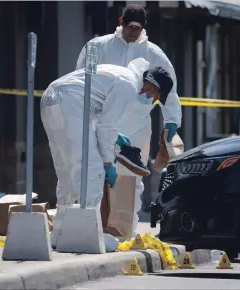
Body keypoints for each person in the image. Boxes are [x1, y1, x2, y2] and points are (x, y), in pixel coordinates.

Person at [40, 58, 174, 249]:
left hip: (51, 98)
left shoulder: (120, 75)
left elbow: (93, 112)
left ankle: (60, 232)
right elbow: (106, 127)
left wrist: (115, 137)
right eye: (157, 95)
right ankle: (87, 235)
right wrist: (108, 164)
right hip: (70, 104)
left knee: (67, 172)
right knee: (92, 172)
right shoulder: (128, 86)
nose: (153, 99)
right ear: (152, 86)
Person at [75, 4, 182, 236]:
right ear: (121, 22)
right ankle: (91, 226)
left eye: (138, 28)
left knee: (131, 179)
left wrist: (171, 119)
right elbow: (82, 79)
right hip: (101, 120)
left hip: (136, 127)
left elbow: (169, 88)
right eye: (130, 26)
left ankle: (124, 229)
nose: (133, 32)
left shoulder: (153, 53)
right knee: (94, 172)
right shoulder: (98, 47)